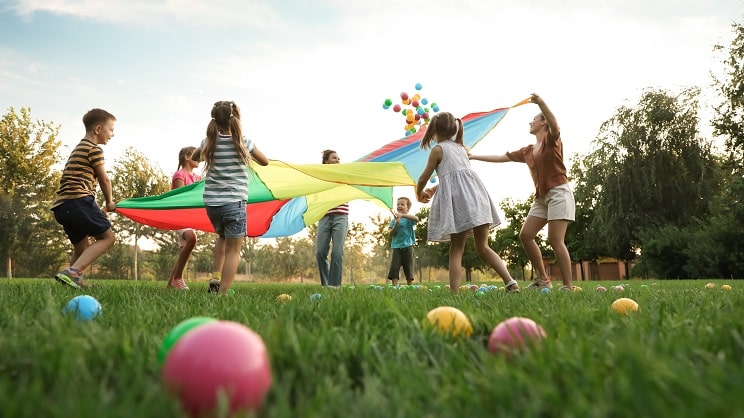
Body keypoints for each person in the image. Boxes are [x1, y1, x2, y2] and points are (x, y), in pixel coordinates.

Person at [469, 93, 575, 291]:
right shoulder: (528, 150)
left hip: (559, 192)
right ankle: (542, 279)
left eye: (534, 119)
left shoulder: (552, 140)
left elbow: (555, 125)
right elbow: (503, 157)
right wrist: (474, 156)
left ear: (543, 123)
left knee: (555, 239)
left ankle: (568, 286)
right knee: (526, 235)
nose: (530, 122)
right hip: (542, 197)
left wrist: (541, 103)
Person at [415, 112, 520, 294]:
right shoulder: (461, 149)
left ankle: (454, 294)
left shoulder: (438, 150)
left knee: (456, 249)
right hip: (478, 199)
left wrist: (419, 193)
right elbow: (457, 178)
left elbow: (425, 177)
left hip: (461, 205)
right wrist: (437, 187)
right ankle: (511, 282)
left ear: (434, 130)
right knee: (483, 246)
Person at [191, 101, 269, 294]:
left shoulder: (209, 142)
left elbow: (194, 157)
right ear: (236, 119)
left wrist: (207, 147)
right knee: (234, 250)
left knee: (222, 237)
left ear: (214, 120)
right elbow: (265, 161)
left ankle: (215, 277)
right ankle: (222, 293)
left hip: (212, 204)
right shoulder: (244, 142)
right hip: (234, 202)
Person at [51, 108, 118, 288]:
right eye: (111, 129)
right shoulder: (94, 149)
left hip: (62, 206)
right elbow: (104, 179)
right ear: (98, 129)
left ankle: (71, 280)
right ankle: (72, 272)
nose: (113, 134)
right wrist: (109, 201)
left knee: (81, 248)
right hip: (78, 201)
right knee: (108, 237)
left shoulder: (79, 148)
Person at [166, 146, 202, 290]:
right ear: (187, 157)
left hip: (190, 218)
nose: (199, 157)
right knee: (192, 238)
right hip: (179, 216)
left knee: (183, 251)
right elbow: (181, 198)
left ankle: (170, 285)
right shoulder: (179, 175)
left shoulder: (198, 178)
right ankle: (178, 278)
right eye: (196, 154)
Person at [315, 149, 348, 288]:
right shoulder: (320, 178)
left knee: (337, 252)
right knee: (320, 252)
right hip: (324, 216)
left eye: (338, 158)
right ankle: (325, 284)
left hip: (341, 216)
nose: (337, 160)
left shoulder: (345, 175)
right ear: (326, 161)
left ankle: (334, 286)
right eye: (334, 158)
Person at [387, 197, 419, 286]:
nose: (399, 206)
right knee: (394, 267)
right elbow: (391, 233)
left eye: (402, 204)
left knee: (408, 266)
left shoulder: (409, 219)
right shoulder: (393, 220)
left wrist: (403, 216)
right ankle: (394, 286)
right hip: (396, 247)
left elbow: (416, 219)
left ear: (408, 208)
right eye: (398, 204)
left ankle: (409, 285)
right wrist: (396, 224)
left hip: (408, 247)